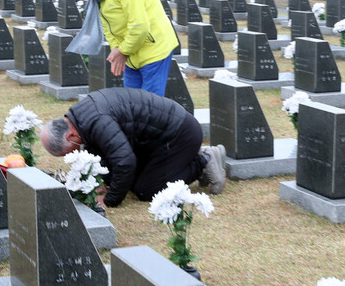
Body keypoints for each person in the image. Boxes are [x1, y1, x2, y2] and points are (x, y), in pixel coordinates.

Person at [41, 88, 227, 208]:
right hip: (155, 139)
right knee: (133, 181)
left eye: (71, 151)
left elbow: (125, 161)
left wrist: (109, 199)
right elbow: (105, 151)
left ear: (71, 135)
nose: (75, 153)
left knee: (146, 190)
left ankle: (203, 160)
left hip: (179, 134)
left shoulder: (97, 121)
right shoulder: (80, 117)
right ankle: (193, 160)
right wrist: (104, 182)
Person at [62, 0, 178, 96]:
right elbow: (107, 25)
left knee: (151, 106)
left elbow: (139, 26)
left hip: (153, 49)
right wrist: (118, 49)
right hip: (130, 51)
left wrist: (122, 51)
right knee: (130, 103)